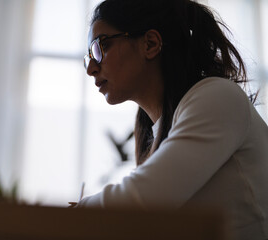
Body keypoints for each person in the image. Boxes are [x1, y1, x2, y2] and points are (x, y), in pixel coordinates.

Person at [77, 0, 268, 239]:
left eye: (99, 47)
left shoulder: (218, 97)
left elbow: (142, 199)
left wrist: (73, 215)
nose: (91, 68)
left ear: (150, 44)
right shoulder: (157, 130)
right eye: (88, 57)